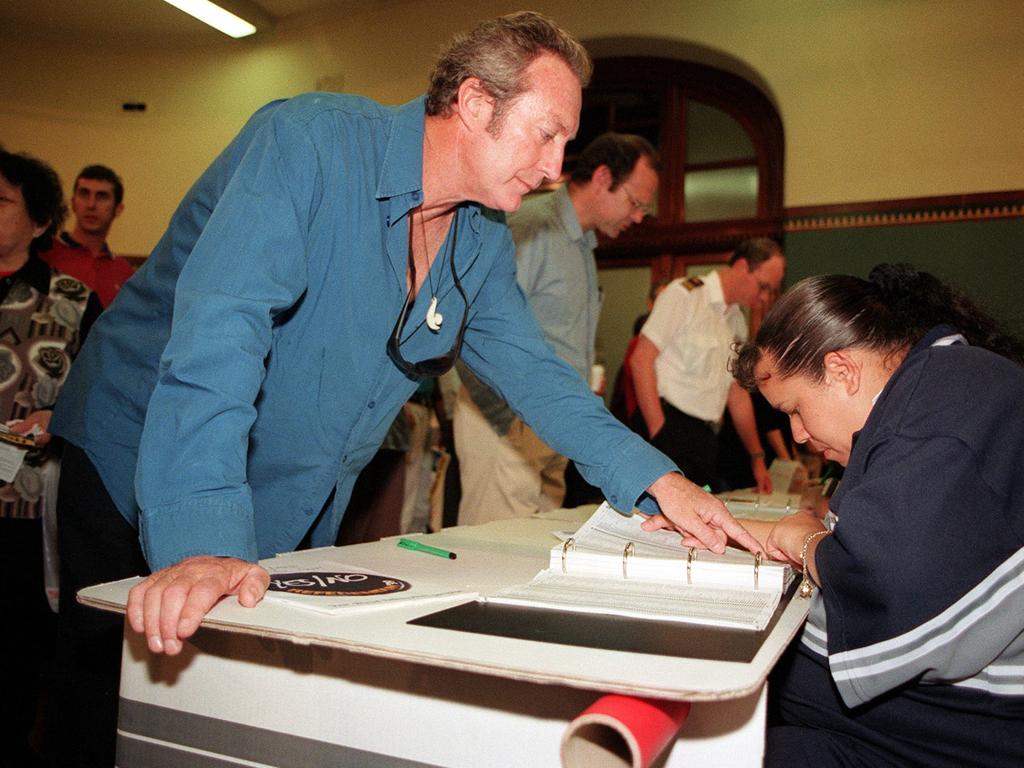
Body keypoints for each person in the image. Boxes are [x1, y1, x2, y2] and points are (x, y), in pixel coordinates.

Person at [47, 12, 761, 766]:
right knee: (111, 693)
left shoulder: (480, 239)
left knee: (224, 701)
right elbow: (219, 336)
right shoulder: (310, 143)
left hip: (278, 483)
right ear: (476, 104)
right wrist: (202, 541)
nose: (556, 169)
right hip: (141, 449)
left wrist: (661, 482)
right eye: (546, 134)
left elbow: (541, 379)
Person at [731, 264, 1024, 767]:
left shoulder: (930, 422)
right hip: (962, 710)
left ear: (843, 370)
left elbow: (882, 587)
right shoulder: (935, 387)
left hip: (986, 724)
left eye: (796, 408)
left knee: (732, 697)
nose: (798, 434)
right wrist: (726, 527)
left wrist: (806, 541)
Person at [455, 132, 659, 525]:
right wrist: (506, 417)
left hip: (554, 426)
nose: (637, 217)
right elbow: (475, 323)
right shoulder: (531, 226)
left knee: (537, 549)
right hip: (509, 421)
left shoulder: (582, 246)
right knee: (497, 550)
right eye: (635, 203)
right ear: (602, 178)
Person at [0, 148, 99, 767]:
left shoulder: (72, 300)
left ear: (38, 221)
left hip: (23, 516)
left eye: (1, 201)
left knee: (15, 663)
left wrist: (58, 420)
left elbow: (104, 397)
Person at [629, 237, 786, 492]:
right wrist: (659, 432)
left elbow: (737, 394)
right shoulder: (685, 294)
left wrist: (757, 457)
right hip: (665, 423)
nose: (764, 297)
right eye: (763, 286)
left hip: (704, 436)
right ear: (742, 267)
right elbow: (641, 360)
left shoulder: (736, 321)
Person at [38, 164, 134, 307]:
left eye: (102, 196)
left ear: (118, 209)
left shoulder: (124, 272)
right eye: (84, 194)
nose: (91, 204)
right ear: (73, 203)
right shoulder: (44, 253)